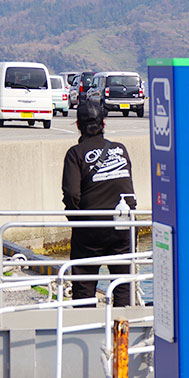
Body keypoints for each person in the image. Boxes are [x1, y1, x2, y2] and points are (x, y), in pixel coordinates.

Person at [62, 101, 137, 306]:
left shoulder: (75, 154)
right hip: (123, 225)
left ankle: (85, 332)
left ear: (78, 124)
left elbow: (71, 194)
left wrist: (77, 218)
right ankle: (123, 331)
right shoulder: (120, 149)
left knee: (84, 284)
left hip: (90, 227)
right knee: (123, 284)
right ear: (103, 123)